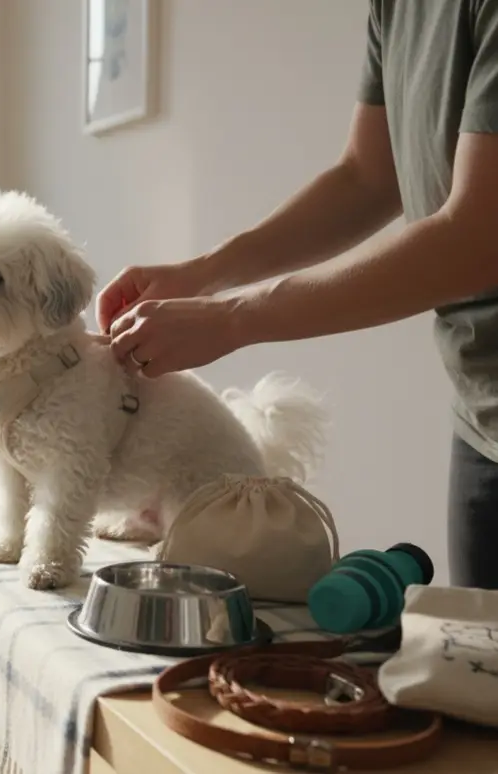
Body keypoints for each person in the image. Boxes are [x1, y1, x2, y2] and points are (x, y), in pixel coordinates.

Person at [94, 1, 498, 589]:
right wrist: (205, 273)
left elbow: (475, 240)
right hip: (479, 413)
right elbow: (367, 175)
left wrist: (230, 319)